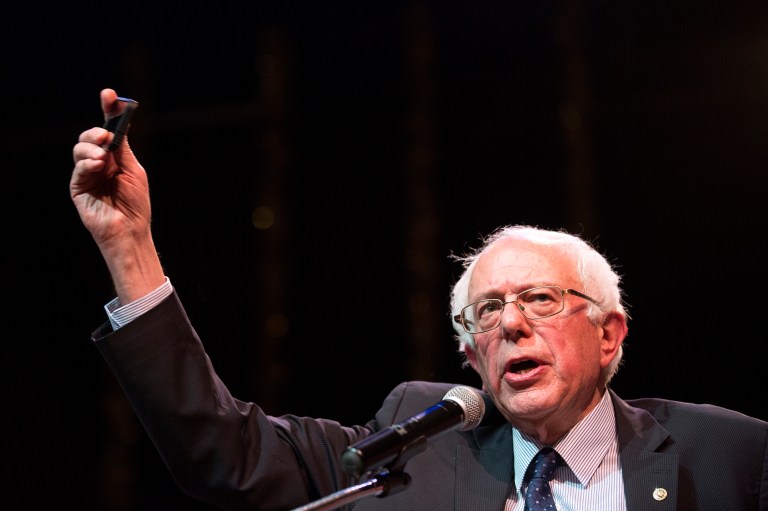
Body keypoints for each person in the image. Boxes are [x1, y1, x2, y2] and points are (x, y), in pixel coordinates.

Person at [71, 88, 767, 511]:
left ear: (609, 333)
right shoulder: (420, 443)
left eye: (540, 299)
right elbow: (223, 451)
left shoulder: (727, 452)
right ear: (470, 352)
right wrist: (130, 247)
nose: (512, 323)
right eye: (487, 311)